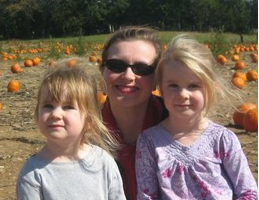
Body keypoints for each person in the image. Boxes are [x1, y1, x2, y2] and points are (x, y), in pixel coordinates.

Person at [135, 34, 258, 199]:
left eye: (193, 85)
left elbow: (248, 192)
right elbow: (146, 196)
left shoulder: (223, 139)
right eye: (173, 85)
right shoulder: (149, 142)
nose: (182, 94)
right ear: (161, 89)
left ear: (209, 88)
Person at [16, 64, 126, 200]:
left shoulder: (103, 161)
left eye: (68, 107)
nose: (55, 114)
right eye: (48, 106)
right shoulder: (33, 173)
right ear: (37, 115)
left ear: (89, 120)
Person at [99, 26, 168, 200]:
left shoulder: (179, 126)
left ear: (156, 80)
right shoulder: (83, 131)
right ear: (102, 72)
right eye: (116, 65)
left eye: (142, 68)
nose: (128, 76)